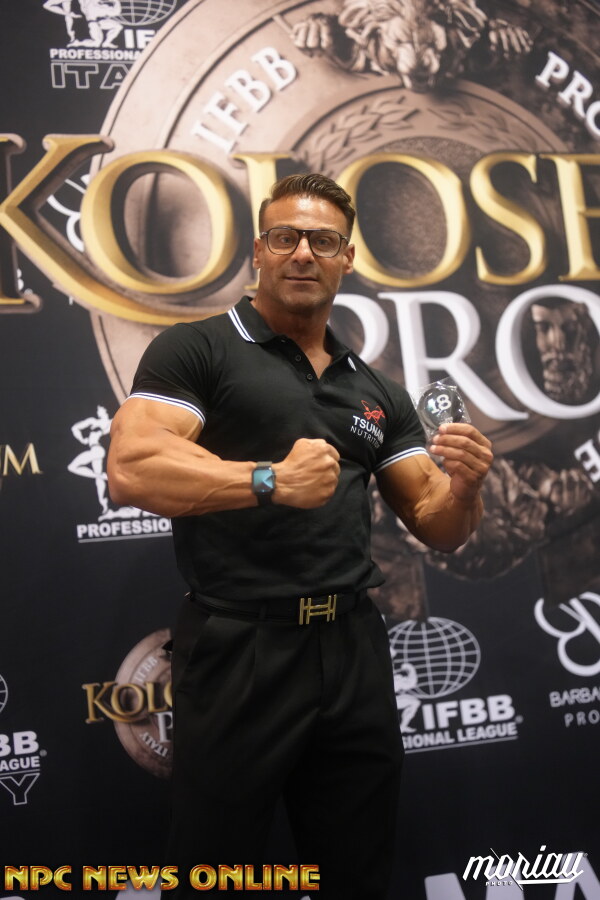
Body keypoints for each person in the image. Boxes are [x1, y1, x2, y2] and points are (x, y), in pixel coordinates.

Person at [107, 173, 493, 898]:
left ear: (348, 258)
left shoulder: (373, 390)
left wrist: (466, 488)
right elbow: (131, 468)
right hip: (240, 648)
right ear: (259, 251)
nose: (303, 253)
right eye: (285, 237)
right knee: (215, 870)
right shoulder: (199, 350)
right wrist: (267, 481)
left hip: (352, 647)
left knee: (357, 870)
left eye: (323, 241)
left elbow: (436, 523)